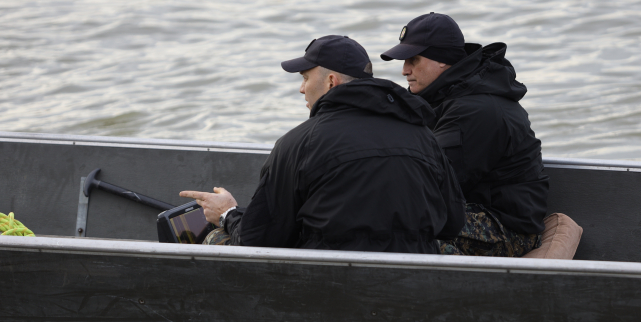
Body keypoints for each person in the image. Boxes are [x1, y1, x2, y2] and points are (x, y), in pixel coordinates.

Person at [181, 35, 465, 254]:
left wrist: (228, 214)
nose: (301, 88)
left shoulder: (298, 142)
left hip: (329, 292)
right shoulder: (424, 136)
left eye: (305, 77)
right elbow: (453, 223)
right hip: (413, 287)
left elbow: (258, 241)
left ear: (331, 81)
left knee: (213, 239)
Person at [380, 13, 549, 257]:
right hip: (474, 208)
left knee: (400, 232)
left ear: (443, 60)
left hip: (506, 227)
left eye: (413, 60)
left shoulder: (472, 110)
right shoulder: (447, 98)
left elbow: (433, 184)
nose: (405, 70)